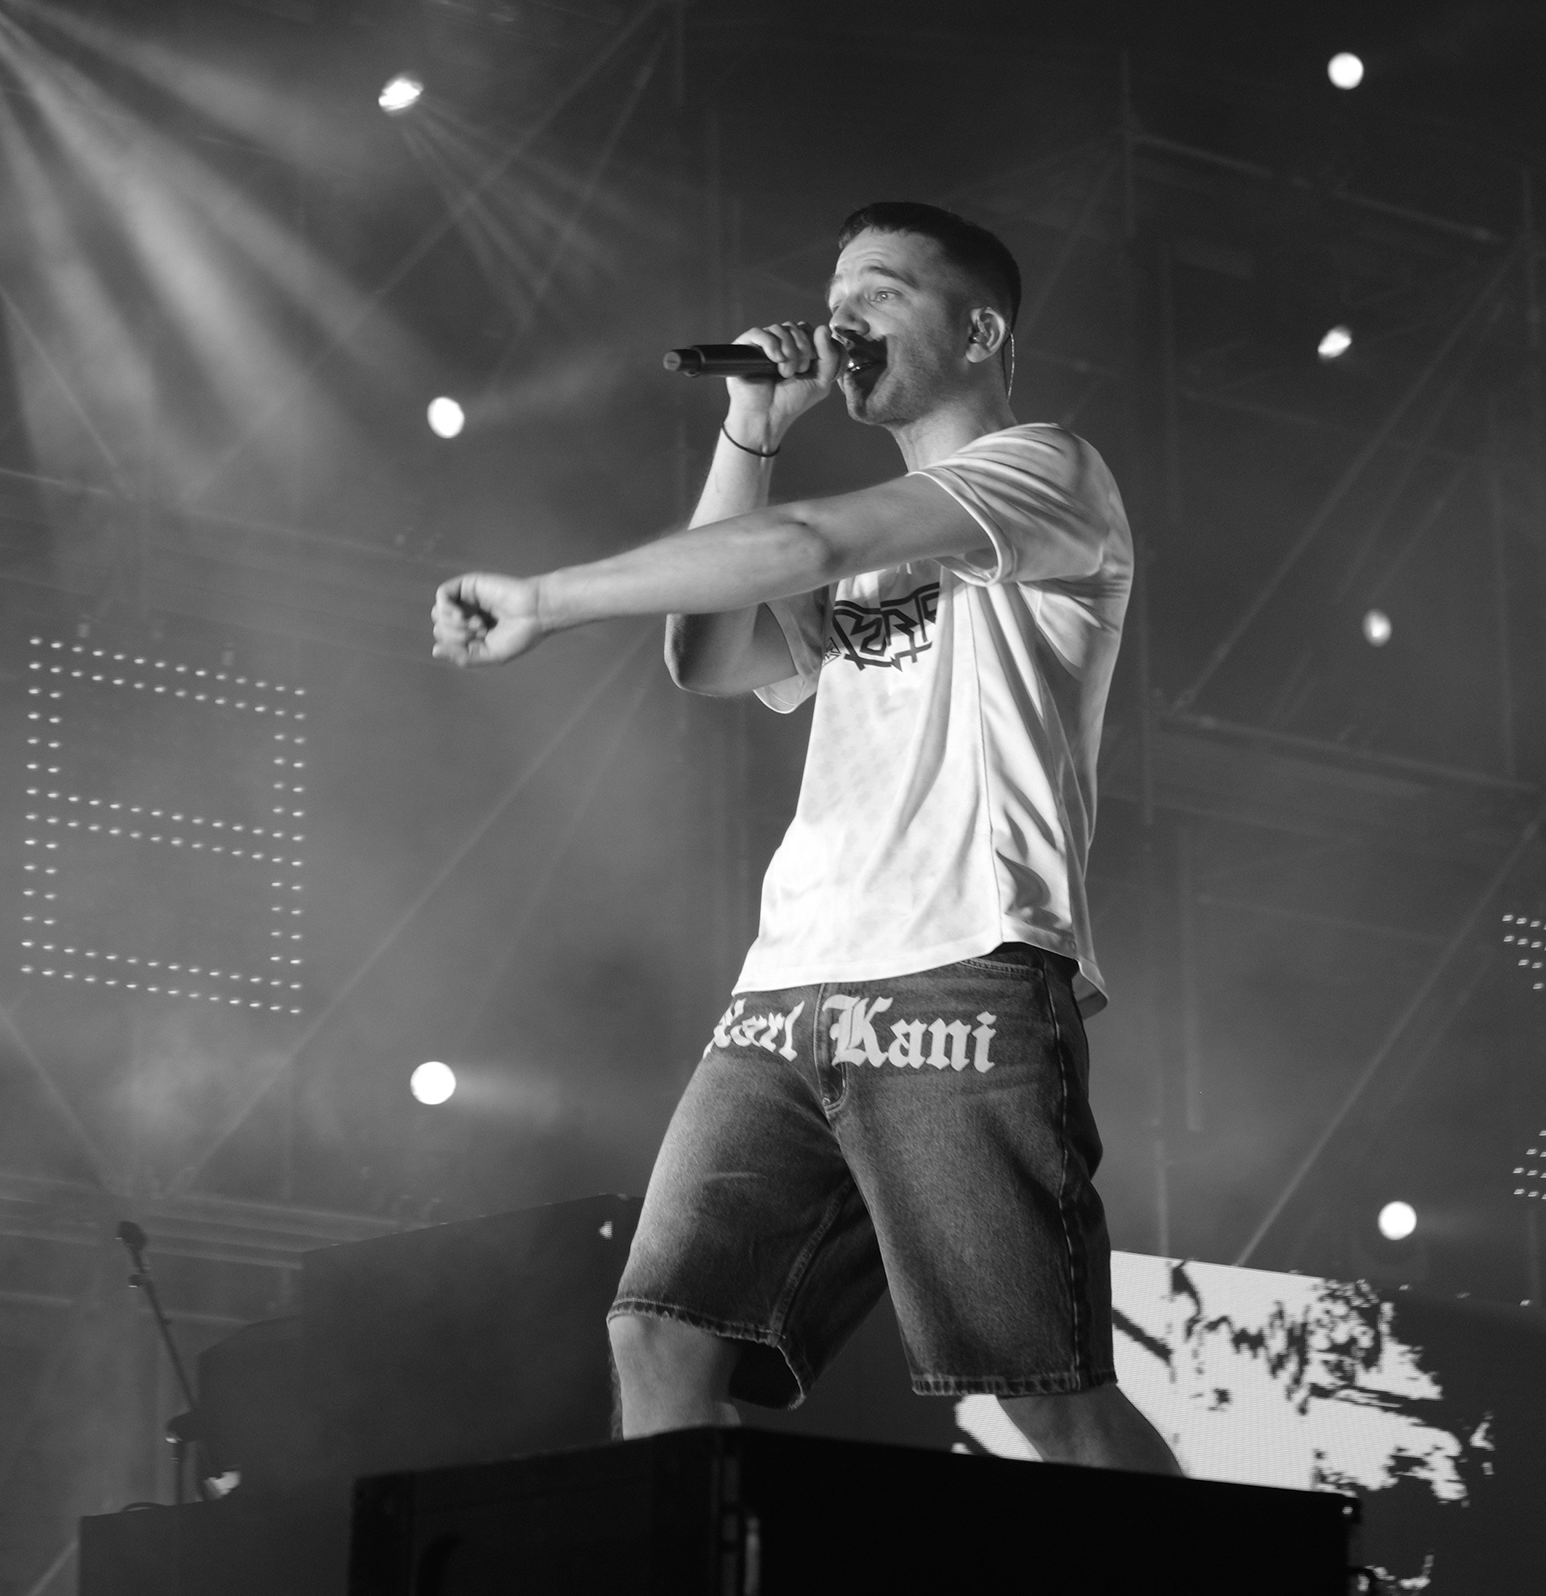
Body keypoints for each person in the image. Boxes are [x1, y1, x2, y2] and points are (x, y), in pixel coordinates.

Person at [429, 200, 1177, 1471]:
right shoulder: (863, 557)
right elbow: (707, 653)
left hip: (959, 969)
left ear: (979, 332)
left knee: (1041, 1390)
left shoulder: (1051, 472)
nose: (843, 317)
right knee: (658, 1334)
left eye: (881, 290)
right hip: (785, 991)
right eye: (836, 295)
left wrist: (548, 598)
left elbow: (805, 540)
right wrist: (752, 429)